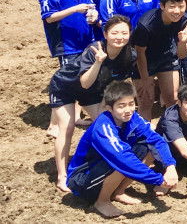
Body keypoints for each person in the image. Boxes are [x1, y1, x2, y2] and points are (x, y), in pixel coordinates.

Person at [49, 15, 137, 192]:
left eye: (124, 33)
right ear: (105, 34)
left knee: (107, 122)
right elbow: (85, 83)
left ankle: (102, 161)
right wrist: (98, 62)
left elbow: (113, 86)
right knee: (67, 126)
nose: (119, 37)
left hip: (94, 92)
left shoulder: (130, 55)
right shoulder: (94, 50)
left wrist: (106, 109)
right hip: (66, 86)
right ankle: (62, 176)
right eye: (114, 33)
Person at [66, 80, 178, 217]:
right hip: (82, 179)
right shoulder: (103, 128)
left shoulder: (133, 118)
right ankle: (102, 201)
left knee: (148, 145)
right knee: (119, 161)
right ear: (109, 108)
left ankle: (119, 191)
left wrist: (170, 166)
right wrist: (158, 180)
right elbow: (123, 159)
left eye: (131, 104)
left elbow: (157, 140)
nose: (128, 110)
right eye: (121, 106)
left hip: (106, 166)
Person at [132, 0, 187, 122]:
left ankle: (172, 130)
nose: (177, 11)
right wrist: (145, 79)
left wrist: (183, 42)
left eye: (181, 6)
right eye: (172, 6)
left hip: (167, 56)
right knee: (146, 102)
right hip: (145, 59)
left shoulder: (185, 21)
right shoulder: (146, 24)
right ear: (162, 6)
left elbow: (182, 55)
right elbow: (140, 52)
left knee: (173, 98)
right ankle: (144, 134)